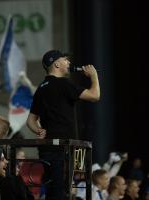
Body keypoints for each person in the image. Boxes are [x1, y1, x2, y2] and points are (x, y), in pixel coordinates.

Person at [26, 50, 100, 199]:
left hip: (47, 149)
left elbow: (30, 121)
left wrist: (39, 130)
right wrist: (94, 75)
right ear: (57, 64)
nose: (69, 63)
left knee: (52, 190)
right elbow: (95, 95)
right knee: (62, 192)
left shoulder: (41, 88)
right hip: (64, 148)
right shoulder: (63, 83)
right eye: (65, 60)